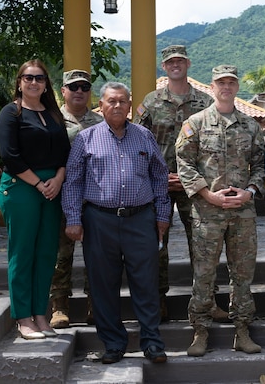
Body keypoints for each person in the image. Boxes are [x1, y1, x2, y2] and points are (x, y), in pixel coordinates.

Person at [61, 82, 170, 364]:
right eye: (112, 101)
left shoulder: (144, 136)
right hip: (99, 221)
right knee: (102, 285)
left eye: (123, 101)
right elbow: (73, 181)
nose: (118, 106)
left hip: (140, 219)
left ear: (129, 105)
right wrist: (73, 219)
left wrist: (162, 215)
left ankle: (152, 342)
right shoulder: (86, 139)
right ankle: (113, 343)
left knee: (146, 283)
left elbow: (160, 177)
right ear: (101, 105)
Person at [175, 65, 265, 357]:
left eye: (231, 82)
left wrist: (249, 192)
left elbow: (260, 165)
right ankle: (200, 331)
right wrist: (207, 195)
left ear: (237, 87)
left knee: (242, 275)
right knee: (203, 274)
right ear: (212, 87)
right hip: (207, 211)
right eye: (221, 83)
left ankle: (242, 330)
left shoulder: (250, 125)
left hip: (242, 212)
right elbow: (184, 163)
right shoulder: (196, 123)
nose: (226, 87)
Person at [133, 45, 228, 323]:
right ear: (164, 66)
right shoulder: (150, 102)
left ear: (188, 64)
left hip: (195, 185)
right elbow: (137, 142)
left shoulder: (204, 102)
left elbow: (212, 144)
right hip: (156, 183)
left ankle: (207, 300)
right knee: (156, 243)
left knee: (202, 243)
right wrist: (158, 177)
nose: (175, 65)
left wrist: (194, 180)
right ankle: (157, 301)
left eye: (180, 61)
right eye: (170, 61)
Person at [0, 60, 70, 340]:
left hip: (52, 188)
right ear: (19, 81)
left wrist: (58, 179)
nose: (34, 82)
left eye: (40, 78)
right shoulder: (11, 113)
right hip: (22, 187)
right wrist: (39, 183)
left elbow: (65, 152)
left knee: (46, 253)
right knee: (23, 252)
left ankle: (41, 314)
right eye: (28, 77)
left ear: (46, 84)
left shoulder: (53, 114)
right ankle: (23, 317)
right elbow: (9, 155)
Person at [48, 69, 104, 329]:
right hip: (60, 196)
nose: (79, 91)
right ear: (63, 91)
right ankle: (60, 306)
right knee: (61, 254)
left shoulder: (100, 122)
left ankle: (96, 304)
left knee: (96, 254)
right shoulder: (52, 120)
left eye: (84, 87)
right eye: (73, 87)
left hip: (94, 198)